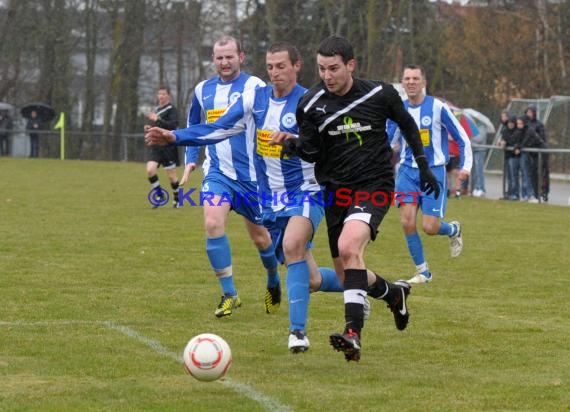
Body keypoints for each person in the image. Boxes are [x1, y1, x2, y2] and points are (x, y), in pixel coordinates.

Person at [145, 42, 375, 353]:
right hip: (268, 197)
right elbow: (220, 128)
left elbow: (334, 147)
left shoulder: (312, 102)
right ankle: (366, 290)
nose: (275, 72)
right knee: (310, 278)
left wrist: (301, 143)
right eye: (270, 67)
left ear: (296, 66)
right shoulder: (256, 97)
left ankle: (297, 333)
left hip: (307, 191)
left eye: (281, 66)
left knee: (292, 246)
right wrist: (177, 137)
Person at [272, 36, 440, 362]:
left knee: (350, 247)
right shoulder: (309, 103)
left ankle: (353, 334)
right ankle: (394, 293)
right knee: (350, 271)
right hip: (335, 191)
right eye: (321, 69)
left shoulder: (381, 94)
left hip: (373, 185)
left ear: (351, 64)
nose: (327, 75)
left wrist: (423, 168)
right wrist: (292, 146)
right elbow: (311, 150)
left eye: (334, 68)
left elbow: (407, 126)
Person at [175, 36, 280, 319]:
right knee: (212, 222)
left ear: (241, 57)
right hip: (218, 172)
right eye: (219, 57)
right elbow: (194, 126)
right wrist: (190, 161)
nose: (224, 62)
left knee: (261, 238)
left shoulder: (255, 86)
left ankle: (273, 279)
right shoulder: (202, 90)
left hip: (252, 178)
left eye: (229, 57)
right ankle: (230, 294)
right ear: (213, 59)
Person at [388, 64, 472, 285]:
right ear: (403, 82)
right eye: (407, 78)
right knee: (407, 222)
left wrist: (466, 167)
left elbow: (462, 137)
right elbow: (386, 141)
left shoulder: (437, 107)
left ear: (423, 82)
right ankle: (423, 272)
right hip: (406, 172)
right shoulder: (398, 109)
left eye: (416, 78)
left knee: (430, 227)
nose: (411, 82)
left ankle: (453, 228)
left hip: (432, 172)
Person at [145, 86, 181, 208]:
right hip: (156, 146)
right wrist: (149, 127)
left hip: (168, 147)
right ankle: (160, 196)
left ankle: (177, 199)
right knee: (150, 170)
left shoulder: (172, 110)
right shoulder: (157, 109)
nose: (161, 96)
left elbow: (173, 126)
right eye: (159, 94)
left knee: (172, 176)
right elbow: (156, 124)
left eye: (163, 94)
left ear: (168, 96)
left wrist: (158, 119)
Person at [524, 105, 549, 202]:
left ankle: (544, 193)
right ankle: (535, 194)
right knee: (532, 174)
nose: (529, 114)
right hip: (531, 154)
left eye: (530, 112)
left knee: (542, 174)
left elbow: (541, 139)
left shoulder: (539, 125)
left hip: (540, 152)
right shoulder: (526, 124)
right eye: (527, 112)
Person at [515, 116, 541, 203]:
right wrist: (517, 147)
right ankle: (526, 194)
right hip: (526, 154)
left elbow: (525, 141)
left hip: (533, 155)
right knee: (524, 174)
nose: (519, 125)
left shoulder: (529, 130)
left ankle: (531, 195)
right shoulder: (519, 131)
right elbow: (518, 141)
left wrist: (519, 147)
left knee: (527, 175)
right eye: (518, 123)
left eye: (520, 123)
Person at [499, 115, 521, 200]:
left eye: (512, 123)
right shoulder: (505, 130)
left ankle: (515, 194)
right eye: (509, 123)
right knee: (508, 176)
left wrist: (505, 141)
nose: (510, 125)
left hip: (514, 157)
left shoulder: (517, 131)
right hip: (507, 156)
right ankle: (509, 193)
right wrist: (501, 142)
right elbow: (503, 139)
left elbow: (512, 140)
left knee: (513, 176)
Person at [471, 119, 489, 197]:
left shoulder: (482, 126)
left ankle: (481, 188)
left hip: (480, 150)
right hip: (473, 150)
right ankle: (476, 187)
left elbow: (480, 138)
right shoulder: (472, 126)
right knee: (474, 171)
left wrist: (471, 136)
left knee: (479, 170)